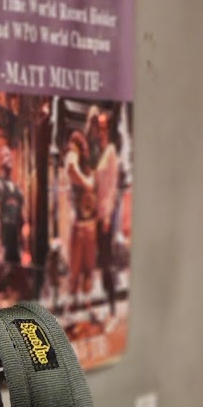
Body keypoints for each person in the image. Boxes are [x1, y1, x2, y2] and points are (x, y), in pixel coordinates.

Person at [88, 108, 120, 317]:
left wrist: (107, 215)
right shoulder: (100, 153)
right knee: (101, 260)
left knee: (107, 260)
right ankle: (107, 301)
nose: (100, 131)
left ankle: (112, 303)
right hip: (98, 214)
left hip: (106, 214)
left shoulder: (111, 152)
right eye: (98, 127)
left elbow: (112, 187)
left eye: (103, 127)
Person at [0, 148, 27, 301]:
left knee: (18, 281)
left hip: (15, 241)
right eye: (4, 156)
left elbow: (22, 218)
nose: (8, 159)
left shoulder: (17, 190)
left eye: (9, 156)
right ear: (0, 162)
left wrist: (24, 243)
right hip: (3, 239)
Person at [64, 129, 98, 310]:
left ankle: (86, 305)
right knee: (76, 271)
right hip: (80, 224)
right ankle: (72, 307)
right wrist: (86, 183)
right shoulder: (74, 161)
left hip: (89, 224)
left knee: (87, 270)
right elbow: (70, 167)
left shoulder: (87, 168)